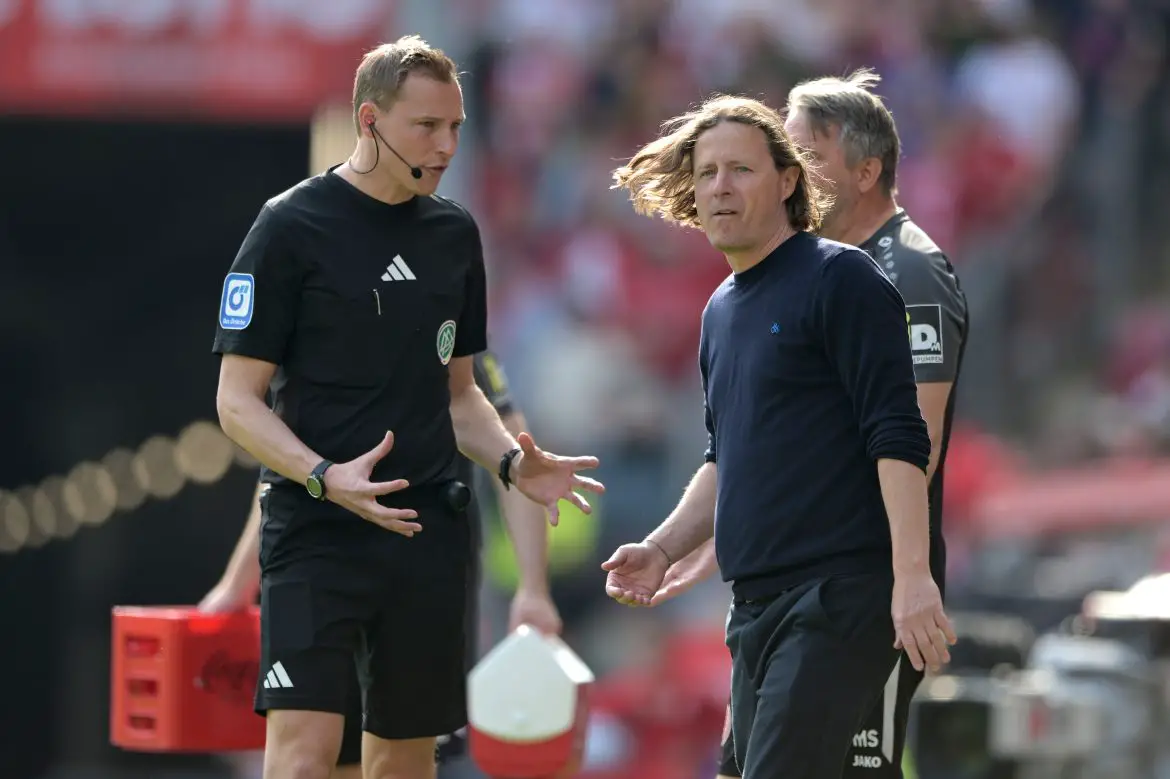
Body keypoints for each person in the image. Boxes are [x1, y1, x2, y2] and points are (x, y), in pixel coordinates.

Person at [211, 35, 603, 779]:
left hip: (427, 536)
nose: (449, 144)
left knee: (402, 761)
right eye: (428, 126)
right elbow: (237, 403)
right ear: (370, 121)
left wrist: (515, 461)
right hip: (316, 531)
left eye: (456, 126)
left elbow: (461, 397)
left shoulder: (454, 235)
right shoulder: (290, 227)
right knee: (302, 757)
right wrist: (325, 474)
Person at [601, 93, 956, 779]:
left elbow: (899, 433)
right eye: (706, 173)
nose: (720, 187)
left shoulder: (840, 277)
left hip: (835, 597)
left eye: (740, 168)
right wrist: (661, 546)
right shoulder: (721, 311)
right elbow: (723, 458)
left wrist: (912, 578)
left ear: (788, 180)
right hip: (755, 605)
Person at [200, 350, 562, 779]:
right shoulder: (309, 317)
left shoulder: (441, 316)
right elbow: (285, 468)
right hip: (318, 567)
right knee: (318, 759)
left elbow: (516, 450)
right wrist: (237, 584)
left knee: (401, 759)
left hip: (423, 573)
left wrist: (534, 589)